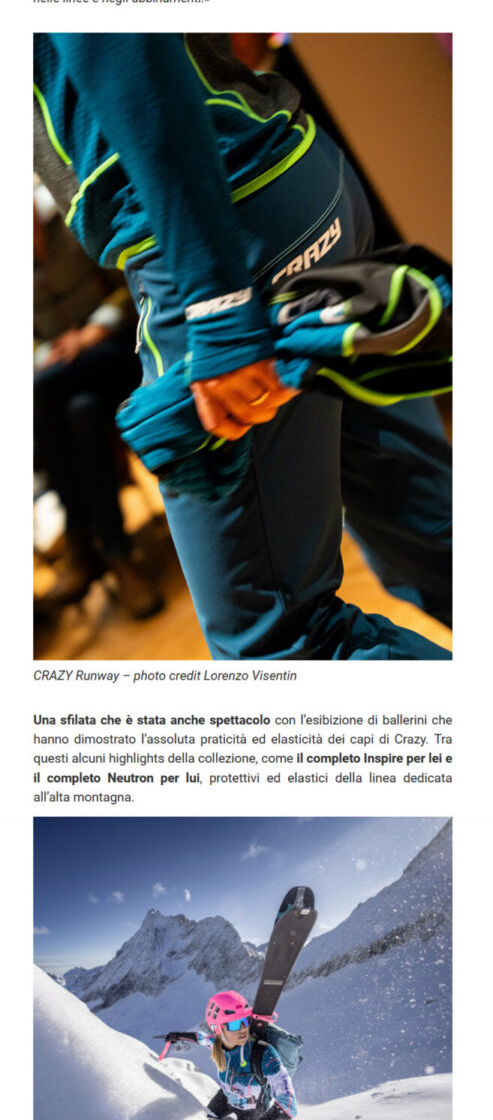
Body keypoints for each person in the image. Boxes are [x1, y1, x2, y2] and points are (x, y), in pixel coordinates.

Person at [33, 33, 451, 661]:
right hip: (295, 170)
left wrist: (217, 303)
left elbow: (120, 38)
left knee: (281, 642)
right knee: (429, 525)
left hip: (225, 241)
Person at [34, 188, 163, 618]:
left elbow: (129, 281)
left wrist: (94, 331)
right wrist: (46, 353)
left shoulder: (69, 216)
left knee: (39, 392)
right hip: (65, 384)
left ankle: (79, 540)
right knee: (81, 413)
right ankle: (118, 556)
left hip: (118, 351)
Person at [166, 991, 297, 1120]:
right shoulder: (217, 1044)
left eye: (245, 1021)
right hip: (225, 1098)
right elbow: (202, 1038)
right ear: (218, 1029)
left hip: (252, 1111)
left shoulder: (264, 1053)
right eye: (234, 1024)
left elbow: (289, 1105)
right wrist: (178, 1036)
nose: (242, 1029)